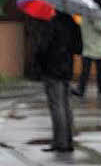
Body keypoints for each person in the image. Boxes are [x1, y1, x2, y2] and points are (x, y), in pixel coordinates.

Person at [26, 11, 81, 152]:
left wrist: (38, 62)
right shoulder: (74, 24)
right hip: (67, 69)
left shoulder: (52, 23)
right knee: (66, 105)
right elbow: (78, 48)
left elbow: (43, 47)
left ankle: (60, 142)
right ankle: (68, 141)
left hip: (52, 69)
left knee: (56, 106)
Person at [72, 0, 101, 98]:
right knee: (85, 70)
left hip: (98, 47)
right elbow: (79, 23)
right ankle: (81, 89)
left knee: (99, 70)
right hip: (88, 46)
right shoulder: (85, 14)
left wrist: (94, 20)